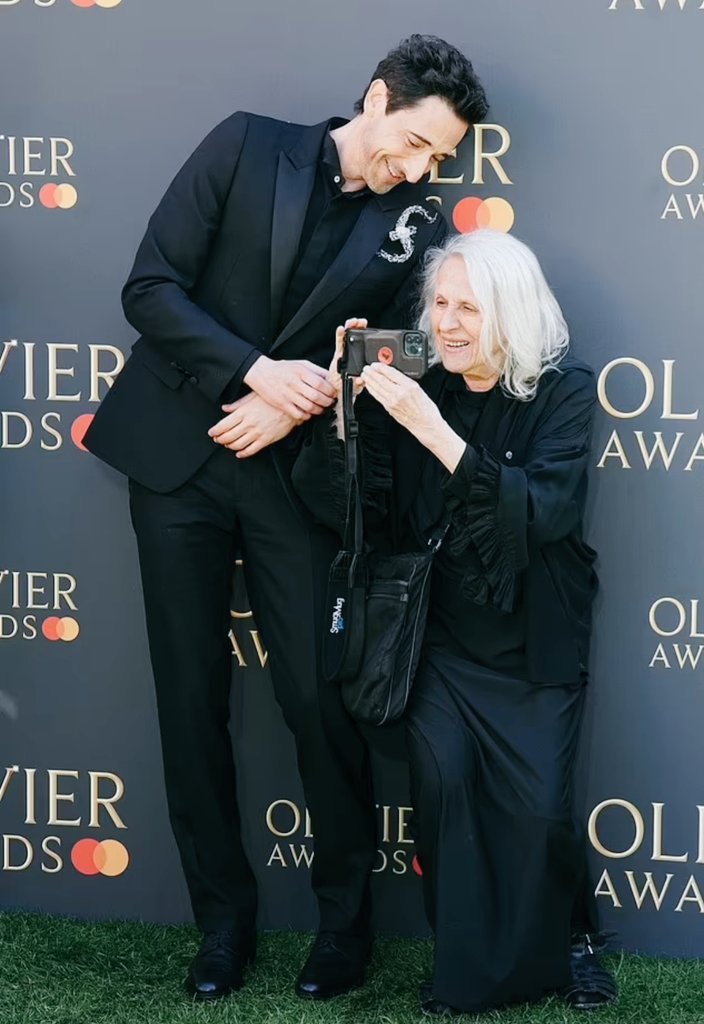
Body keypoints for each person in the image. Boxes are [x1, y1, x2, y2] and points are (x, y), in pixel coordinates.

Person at [83, 36, 488, 1002]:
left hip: (296, 479)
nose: (421, 169)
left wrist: (291, 404)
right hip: (178, 463)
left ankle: (344, 928)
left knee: (317, 701)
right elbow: (150, 288)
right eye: (418, 143)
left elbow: (393, 359)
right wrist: (255, 373)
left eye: (439, 159)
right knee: (190, 703)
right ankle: (222, 926)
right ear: (378, 98)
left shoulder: (413, 224)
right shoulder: (244, 144)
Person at [292, 229, 618, 1015]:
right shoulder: (418, 383)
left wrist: (429, 430)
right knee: (445, 788)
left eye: (469, 305)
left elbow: (542, 514)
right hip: (435, 637)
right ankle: (467, 970)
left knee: (540, 809)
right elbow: (351, 508)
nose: (448, 322)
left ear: (511, 312)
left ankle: (570, 942)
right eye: (439, 302)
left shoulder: (562, 390)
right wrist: (349, 414)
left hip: (533, 638)